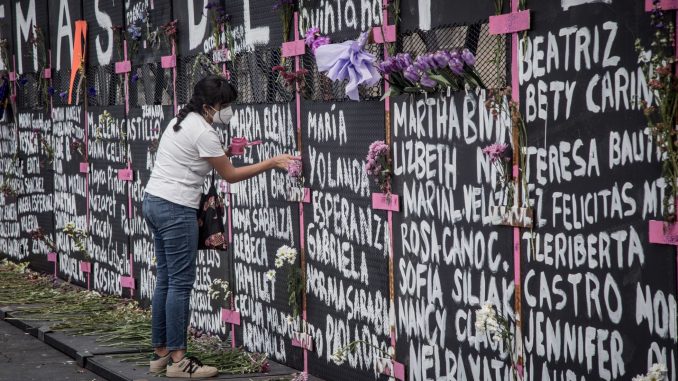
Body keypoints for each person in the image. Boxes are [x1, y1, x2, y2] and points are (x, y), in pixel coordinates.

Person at [142, 75, 298, 378]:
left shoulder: (183, 120)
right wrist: (272, 162)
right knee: (180, 284)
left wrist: (225, 153)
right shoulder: (204, 131)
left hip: (154, 201)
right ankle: (178, 361)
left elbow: (195, 159)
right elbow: (231, 177)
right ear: (210, 105)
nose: (226, 110)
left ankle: (160, 354)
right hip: (176, 209)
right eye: (224, 105)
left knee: (165, 279)